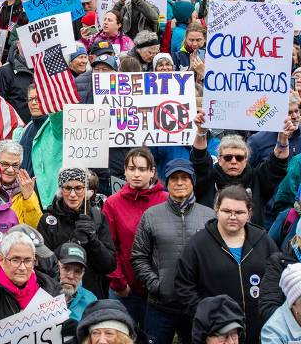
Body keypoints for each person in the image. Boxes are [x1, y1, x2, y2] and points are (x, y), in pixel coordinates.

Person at [176, 186, 278, 344]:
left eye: (239, 212)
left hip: (258, 330)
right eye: (226, 211)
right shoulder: (198, 244)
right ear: (216, 210)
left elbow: (276, 278)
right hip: (218, 332)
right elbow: (183, 287)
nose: (232, 217)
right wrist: (205, 314)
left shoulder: (263, 240)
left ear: (249, 213)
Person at [131, 158, 215, 344]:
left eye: (184, 178)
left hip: (197, 305)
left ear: (192, 181)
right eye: (174, 178)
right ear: (166, 182)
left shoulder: (209, 216)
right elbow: (139, 256)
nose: (179, 183)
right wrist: (156, 285)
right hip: (160, 306)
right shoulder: (151, 215)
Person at [191, 109, 293, 227]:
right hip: (212, 239)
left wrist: (283, 138)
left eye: (239, 158)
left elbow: (277, 163)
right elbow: (199, 159)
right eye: (228, 157)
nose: (233, 161)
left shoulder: (257, 179)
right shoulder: (208, 178)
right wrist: (201, 132)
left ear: (246, 160)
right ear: (219, 159)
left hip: (250, 240)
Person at [103, 147, 168, 324]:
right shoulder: (112, 203)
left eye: (142, 169)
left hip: (158, 288)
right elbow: (109, 247)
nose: (136, 174)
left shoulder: (165, 200)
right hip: (124, 288)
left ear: (152, 171)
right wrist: (119, 283)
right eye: (132, 169)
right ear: (124, 171)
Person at [38, 166, 116, 299]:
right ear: (61, 190)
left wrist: (93, 240)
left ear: (86, 190)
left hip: (91, 296)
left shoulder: (97, 217)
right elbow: (43, 266)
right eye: (68, 188)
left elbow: (109, 266)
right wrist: (72, 244)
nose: (73, 194)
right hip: (58, 295)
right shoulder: (48, 220)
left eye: (78, 188)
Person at [0, 140, 42, 227]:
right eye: (5, 164)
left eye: (15, 165)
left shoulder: (26, 189)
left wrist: (29, 197)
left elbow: (35, 226)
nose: (10, 170)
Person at [57, 243, 98, 322]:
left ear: (83, 274)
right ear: (56, 267)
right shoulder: (40, 294)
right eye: (66, 268)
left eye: (77, 271)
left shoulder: (90, 300)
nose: (71, 276)